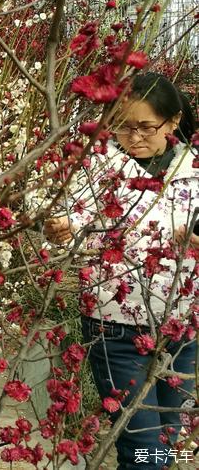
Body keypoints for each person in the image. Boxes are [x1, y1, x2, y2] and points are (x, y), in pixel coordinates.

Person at [43, 71, 199, 470]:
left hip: (182, 328)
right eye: (125, 126)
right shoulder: (100, 166)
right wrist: (59, 228)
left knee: (166, 440)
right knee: (140, 448)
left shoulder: (194, 169)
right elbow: (68, 216)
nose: (135, 137)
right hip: (115, 326)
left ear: (173, 121)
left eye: (146, 126)